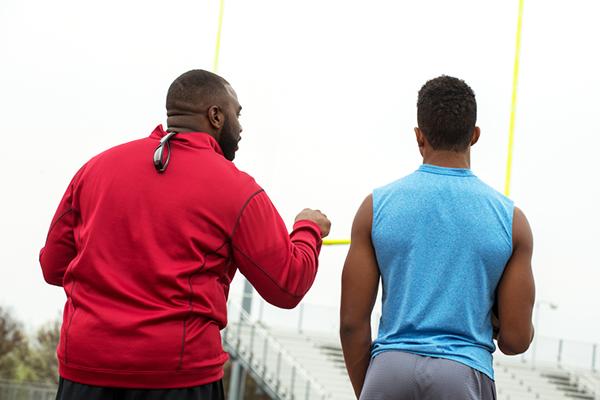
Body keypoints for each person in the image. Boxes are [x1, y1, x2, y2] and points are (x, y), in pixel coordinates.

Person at [39, 69, 331, 400]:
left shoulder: (94, 169)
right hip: (178, 378)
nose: (241, 126)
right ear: (216, 115)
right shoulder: (236, 188)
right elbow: (286, 286)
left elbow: (53, 267)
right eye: (237, 113)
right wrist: (308, 230)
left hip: (85, 373)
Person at [339, 75, 535, 399]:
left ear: (419, 137)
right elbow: (515, 340)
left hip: (389, 369)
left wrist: (374, 389)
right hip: (462, 374)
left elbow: (351, 324)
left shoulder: (375, 208)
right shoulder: (511, 221)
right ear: (474, 135)